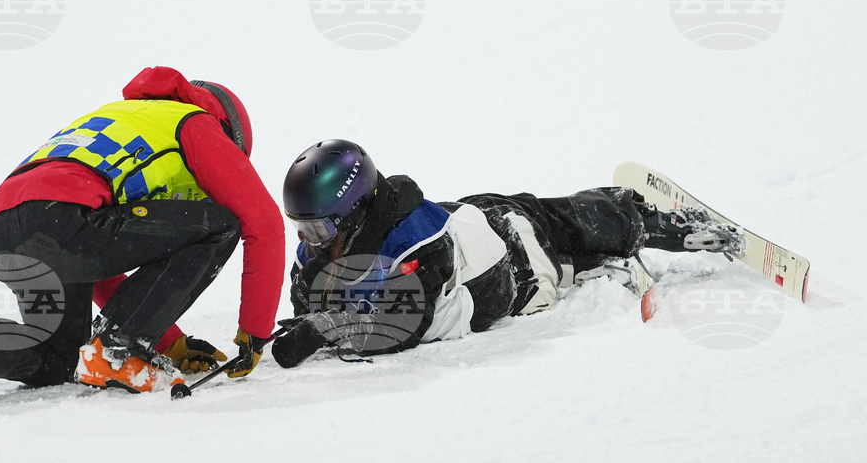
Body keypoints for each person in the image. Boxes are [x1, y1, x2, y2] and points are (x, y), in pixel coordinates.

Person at [0, 67, 285, 404]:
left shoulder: (124, 117)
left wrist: (172, 342)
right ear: (228, 132)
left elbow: (98, 260)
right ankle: (118, 351)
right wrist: (255, 332)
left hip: (9, 226)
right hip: (67, 218)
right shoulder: (197, 122)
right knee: (220, 223)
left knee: (61, 359)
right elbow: (263, 224)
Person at [270, 139, 743, 368]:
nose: (311, 239)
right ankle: (606, 243)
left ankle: (657, 222)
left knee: (571, 227)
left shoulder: (417, 244)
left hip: (516, 252)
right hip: (473, 222)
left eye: (319, 226)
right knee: (568, 252)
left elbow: (402, 325)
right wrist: (309, 323)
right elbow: (308, 296)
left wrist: (326, 327)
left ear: (355, 211)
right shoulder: (327, 242)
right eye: (304, 227)